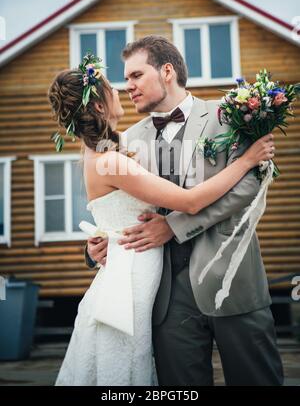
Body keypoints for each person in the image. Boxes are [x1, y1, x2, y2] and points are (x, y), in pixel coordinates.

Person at [48, 48, 275, 386]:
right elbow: (116, 203)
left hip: (231, 280)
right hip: (163, 299)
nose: (127, 87)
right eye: (123, 80)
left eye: (136, 75)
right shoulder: (124, 141)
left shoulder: (227, 117)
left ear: (167, 71)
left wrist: (174, 226)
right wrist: (96, 246)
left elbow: (252, 184)